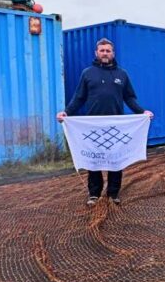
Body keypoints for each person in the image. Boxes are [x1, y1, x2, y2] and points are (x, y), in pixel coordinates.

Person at [57, 38, 153, 205]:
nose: (105, 53)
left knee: (116, 160)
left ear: (113, 53)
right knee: (93, 160)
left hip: (116, 126)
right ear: (96, 53)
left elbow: (129, 98)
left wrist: (142, 112)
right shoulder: (87, 73)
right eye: (102, 50)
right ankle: (94, 194)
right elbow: (79, 98)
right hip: (93, 126)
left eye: (108, 51)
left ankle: (113, 194)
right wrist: (66, 112)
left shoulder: (122, 74)